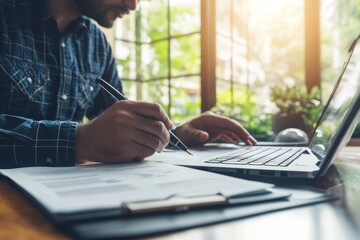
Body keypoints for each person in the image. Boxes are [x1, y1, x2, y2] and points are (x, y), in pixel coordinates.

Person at [0, 0, 256, 168]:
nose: (133, 4)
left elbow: (122, 129)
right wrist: (81, 140)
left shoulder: (96, 44)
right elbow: (90, 138)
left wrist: (173, 134)